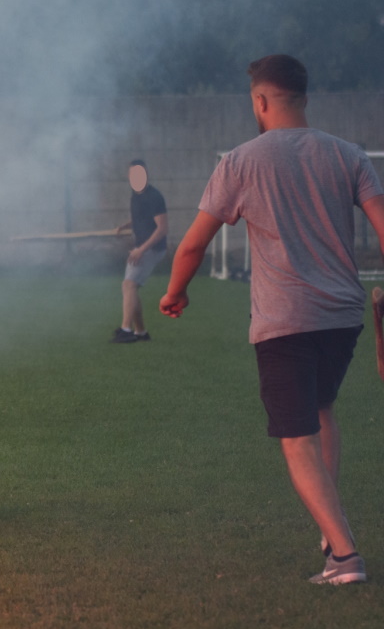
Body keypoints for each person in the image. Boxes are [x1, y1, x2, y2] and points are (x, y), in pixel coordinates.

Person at [160, 54, 384, 586]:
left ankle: (345, 557)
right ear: (302, 98)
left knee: (296, 436)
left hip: (286, 320)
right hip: (342, 318)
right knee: (322, 409)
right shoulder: (350, 155)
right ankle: (332, 532)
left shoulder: (240, 161)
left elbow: (193, 244)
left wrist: (174, 293)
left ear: (260, 102)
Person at [111, 159, 168, 343]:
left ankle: (126, 330)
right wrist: (125, 226)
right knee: (130, 287)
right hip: (141, 248)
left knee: (128, 285)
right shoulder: (135, 195)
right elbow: (141, 218)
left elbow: (162, 229)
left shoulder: (154, 196)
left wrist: (141, 250)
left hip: (151, 249)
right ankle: (141, 332)